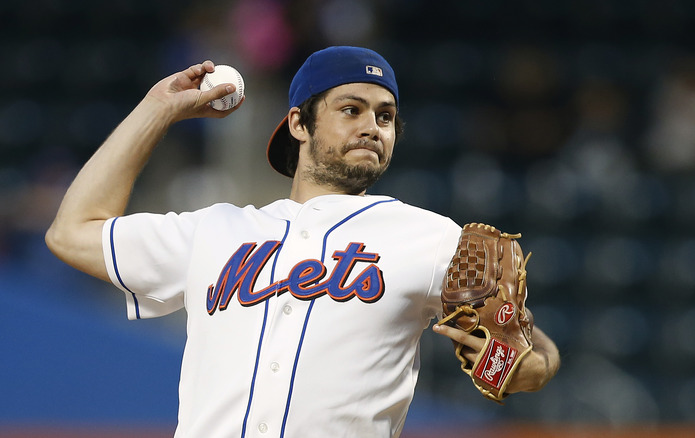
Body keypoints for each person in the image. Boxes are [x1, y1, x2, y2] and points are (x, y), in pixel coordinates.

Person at [46, 46, 560, 438]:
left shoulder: (431, 238)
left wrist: (532, 366)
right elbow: (73, 232)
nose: (372, 127)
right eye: (351, 109)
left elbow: (531, 346)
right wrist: (157, 109)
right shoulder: (215, 230)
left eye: (385, 116)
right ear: (298, 123)